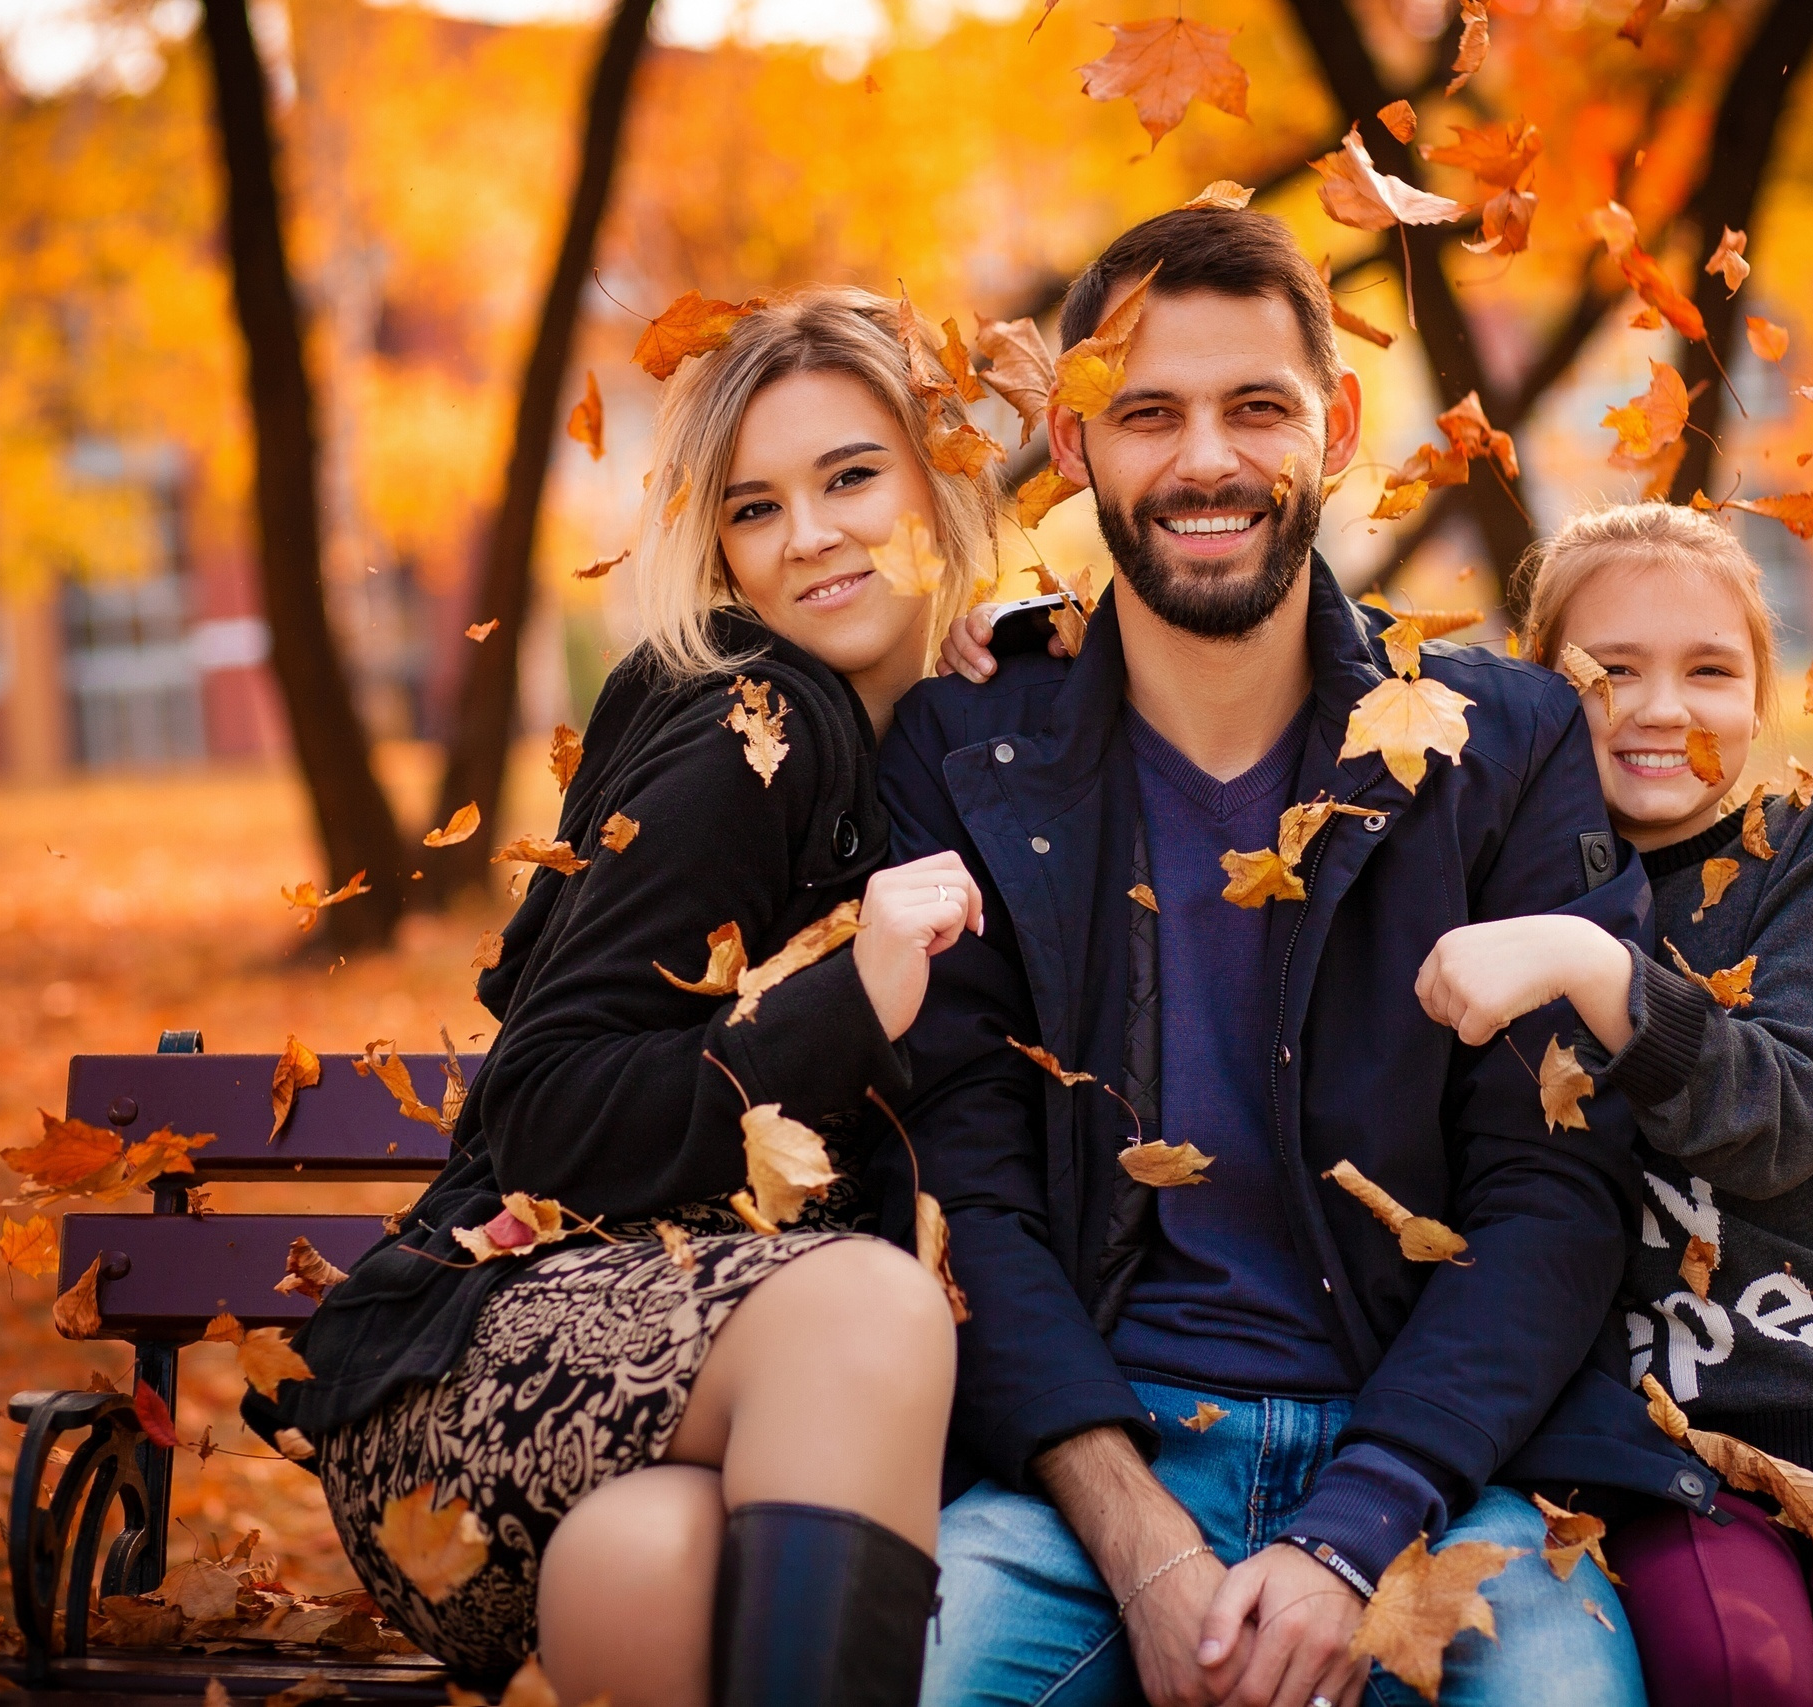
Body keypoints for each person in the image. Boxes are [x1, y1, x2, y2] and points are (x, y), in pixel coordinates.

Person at [893, 206, 1716, 1707]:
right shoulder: (965, 753)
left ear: (1334, 427)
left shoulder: (1506, 744)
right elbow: (973, 1189)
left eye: (1256, 407)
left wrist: (1353, 1525)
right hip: (1094, 1466)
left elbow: (1555, 1190)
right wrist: (1139, 1539)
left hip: (1447, 1463)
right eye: (1148, 413)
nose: (1206, 460)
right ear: (1072, 447)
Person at [241, 287, 1000, 1707]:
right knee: (869, 1310)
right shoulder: (751, 734)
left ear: (943, 479)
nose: (812, 536)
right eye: (756, 508)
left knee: (650, 1561)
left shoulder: (938, 725)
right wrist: (851, 1002)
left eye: (852, 477)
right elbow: (535, 1106)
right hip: (486, 1379)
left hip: (666, 1438)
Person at [1410, 503, 1813, 1707]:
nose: (1661, 708)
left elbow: (1784, 1118)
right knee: (1734, 1668)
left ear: (1760, 693)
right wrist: (1039, 634)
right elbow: (1334, 668)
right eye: (1608, 672)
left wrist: (1592, 969)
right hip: (1653, 1456)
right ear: (1543, 691)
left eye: (1710, 669)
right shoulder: (1502, 881)